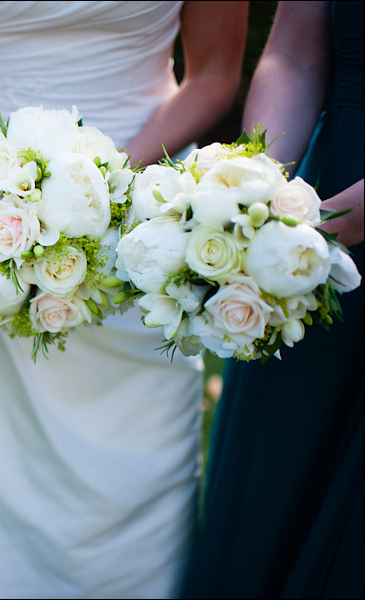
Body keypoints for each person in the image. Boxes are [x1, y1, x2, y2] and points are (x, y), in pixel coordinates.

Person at [0, 2, 247, 597]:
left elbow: (213, 75)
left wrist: (101, 189)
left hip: (136, 207)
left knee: (133, 445)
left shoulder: (125, 194)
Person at [180, 2, 363, 597]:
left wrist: (322, 232)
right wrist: (256, 193)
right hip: (325, 188)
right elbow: (295, 52)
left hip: (324, 226)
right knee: (279, 478)